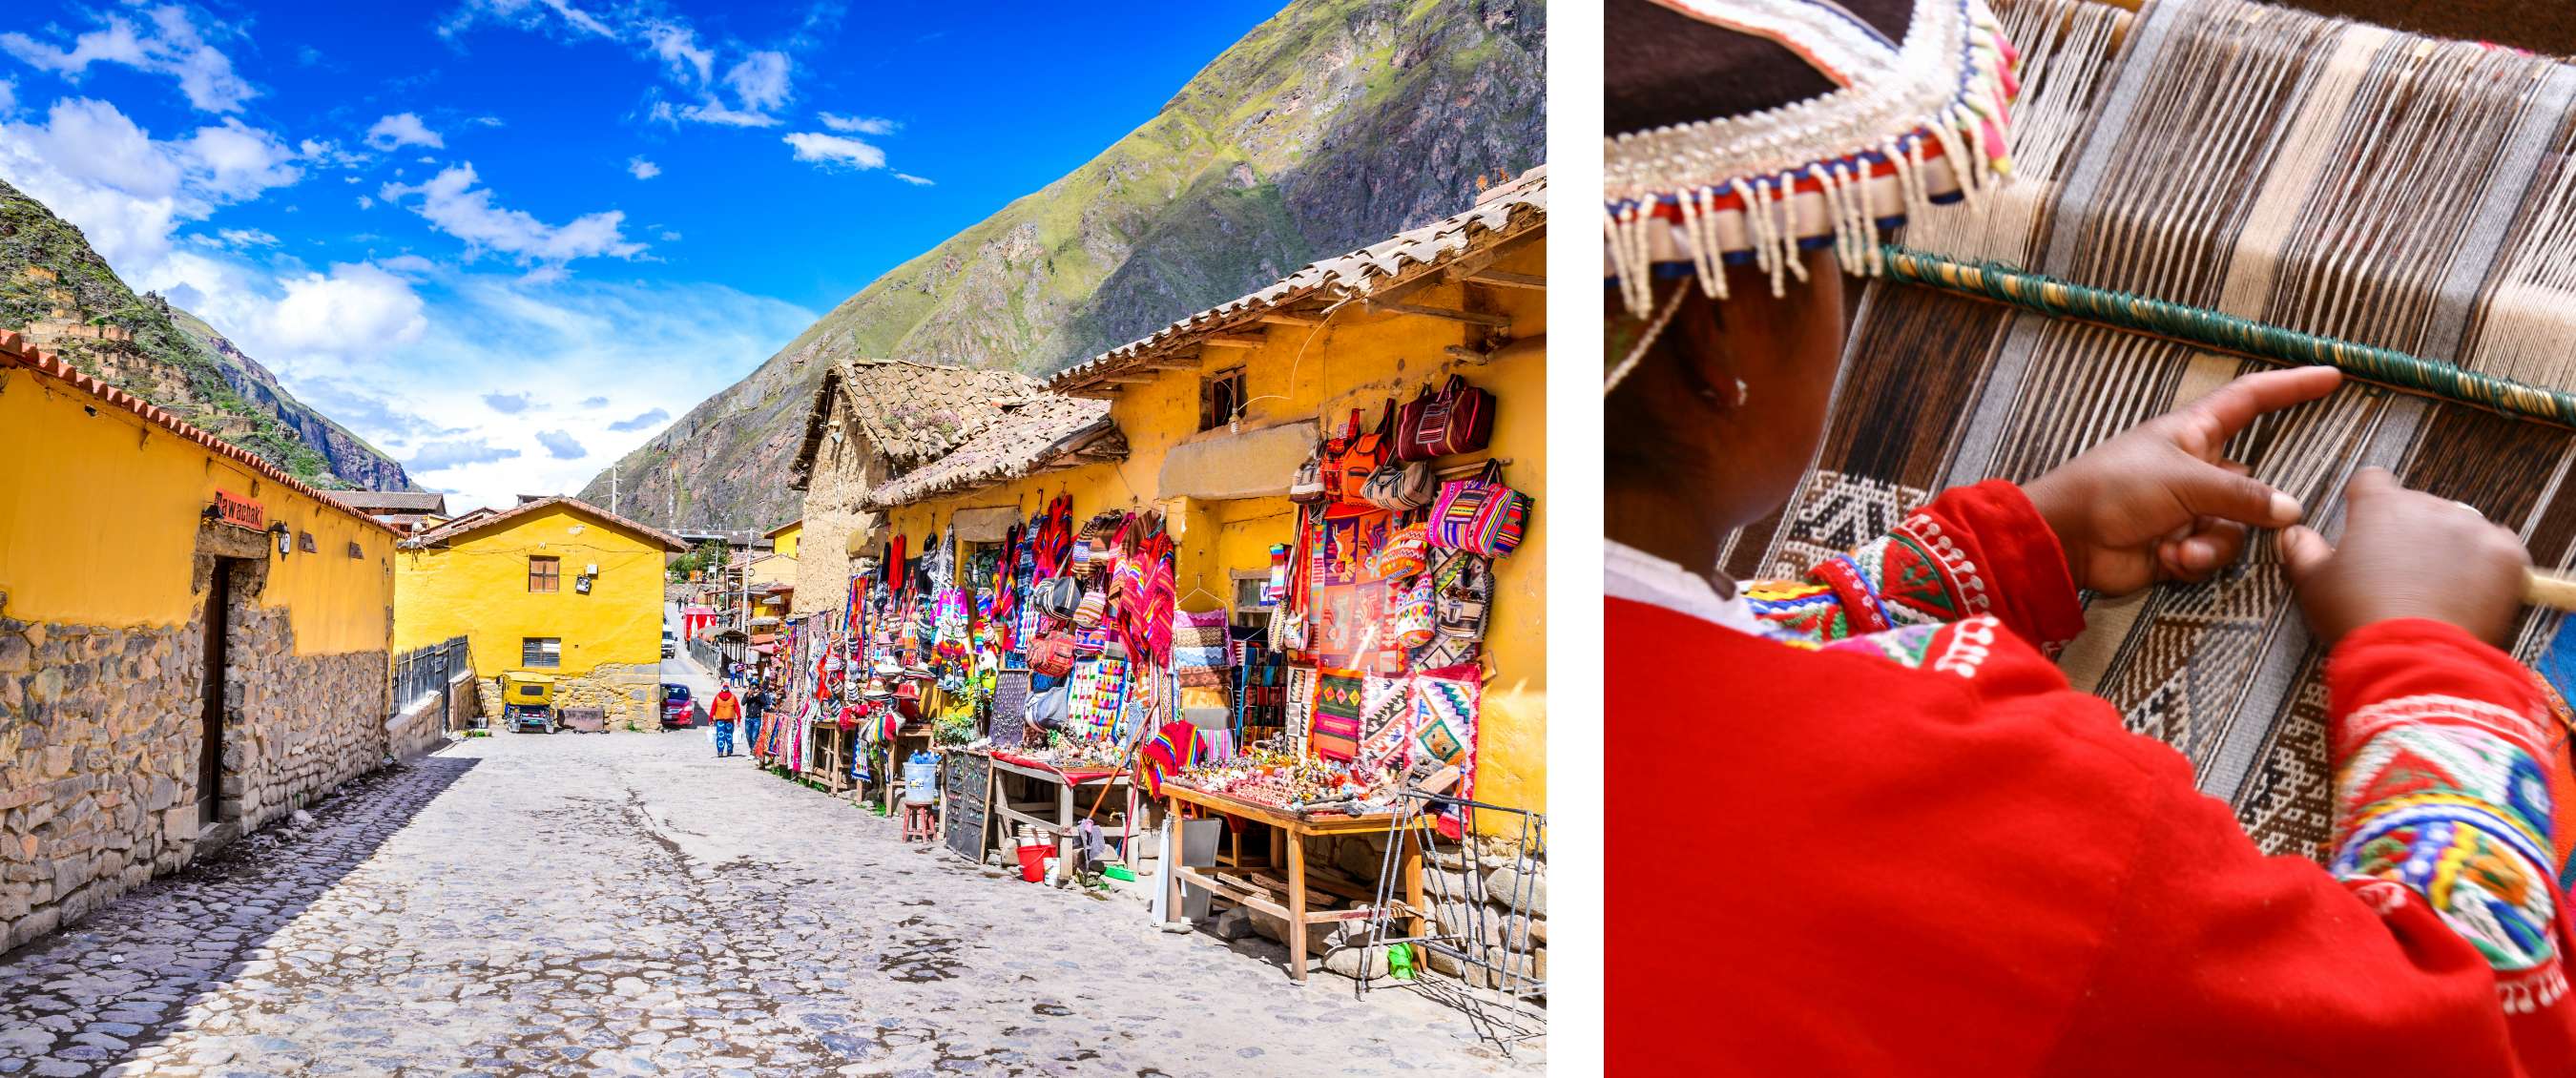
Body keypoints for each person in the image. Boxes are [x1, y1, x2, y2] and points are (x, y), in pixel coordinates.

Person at [1605, 0, 2576, 1073]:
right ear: (1716, 329)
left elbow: (1724, 665)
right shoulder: (1993, 812)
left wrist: (2024, 543)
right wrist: (2432, 662)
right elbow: (2468, 1035)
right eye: (1844, 248)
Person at [708, 685, 740, 757]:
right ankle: (729, 751)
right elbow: (737, 708)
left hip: (720, 720)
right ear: (728, 689)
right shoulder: (733, 697)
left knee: (720, 735)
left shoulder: (717, 697)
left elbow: (713, 708)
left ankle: (720, 752)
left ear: (722, 689)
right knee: (729, 735)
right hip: (730, 720)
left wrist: (710, 718)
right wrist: (739, 719)